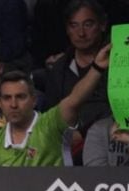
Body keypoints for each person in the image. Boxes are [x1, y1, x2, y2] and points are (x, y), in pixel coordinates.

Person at [0, 44, 109, 167]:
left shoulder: (51, 124)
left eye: (20, 97)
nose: (13, 104)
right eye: (7, 98)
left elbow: (75, 99)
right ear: (0, 103)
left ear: (34, 100)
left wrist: (97, 68)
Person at [42, 0, 111, 143]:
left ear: (102, 25)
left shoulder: (119, 62)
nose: (81, 33)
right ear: (67, 30)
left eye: (88, 24)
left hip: (114, 137)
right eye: (74, 25)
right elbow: (51, 116)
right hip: (71, 144)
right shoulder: (58, 70)